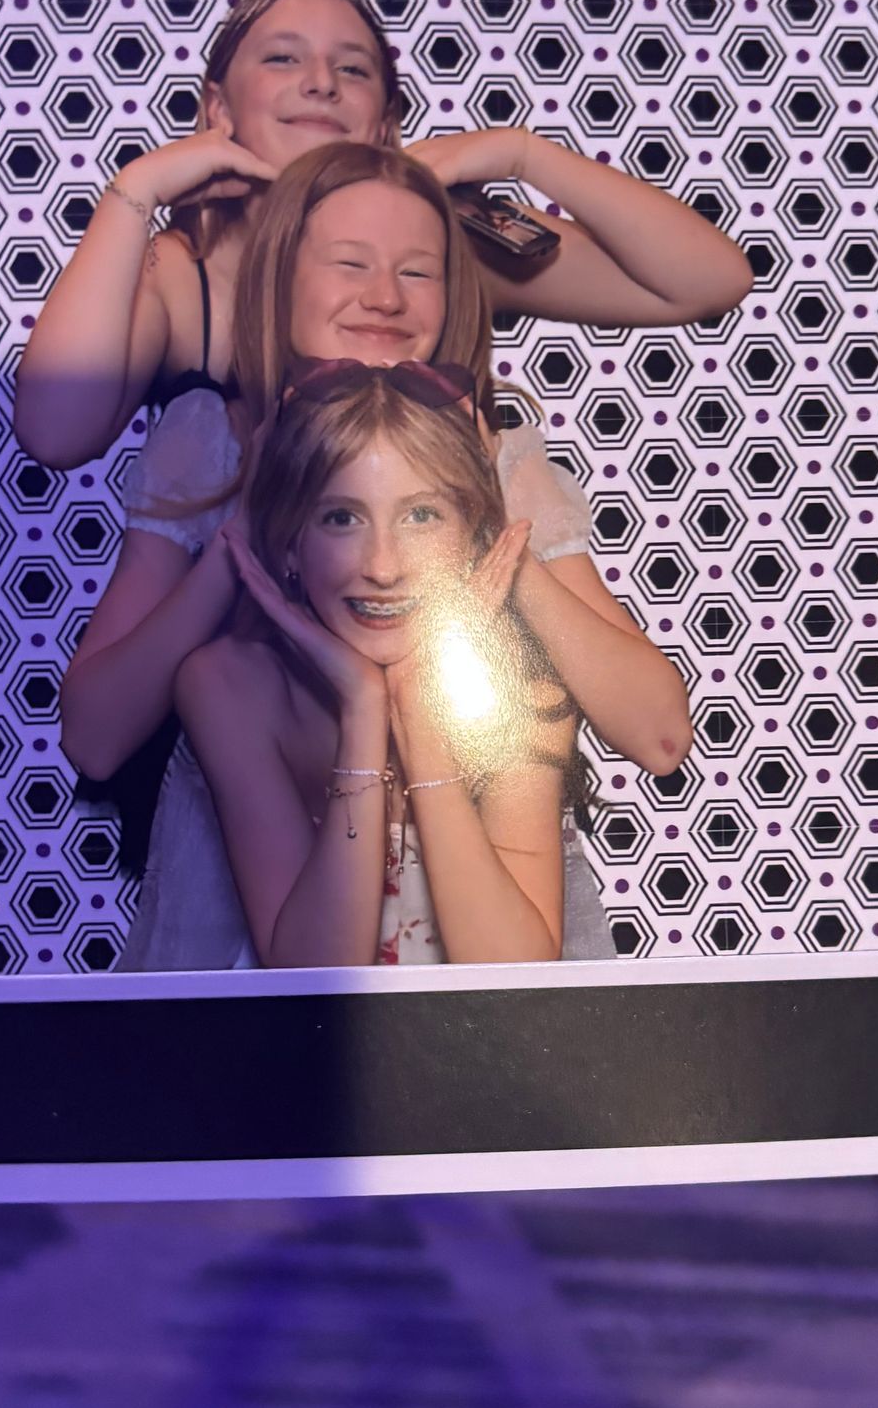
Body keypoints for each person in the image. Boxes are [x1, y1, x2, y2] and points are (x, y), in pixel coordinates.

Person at [57, 142, 684, 968]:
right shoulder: (211, 445)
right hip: (256, 966)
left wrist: (488, 536)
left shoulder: (501, 460)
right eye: (349, 264)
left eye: (418, 272)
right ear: (277, 281)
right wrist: (250, 531)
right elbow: (97, 738)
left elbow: (659, 736)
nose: (383, 296)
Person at [11, 0, 756, 470]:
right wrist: (133, 192)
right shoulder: (182, 273)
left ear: (386, 124)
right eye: (281, 59)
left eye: (354, 69)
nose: (321, 83)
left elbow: (706, 282)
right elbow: (54, 434)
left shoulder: (442, 244)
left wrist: (522, 154)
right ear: (218, 109)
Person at [180, 363, 603, 968]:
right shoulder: (228, 686)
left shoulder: (527, 693)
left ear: (472, 536)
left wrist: (416, 705)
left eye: (422, 515)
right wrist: (363, 706)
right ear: (290, 543)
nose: (383, 566)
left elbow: (516, 979)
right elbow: (312, 978)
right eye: (341, 518)